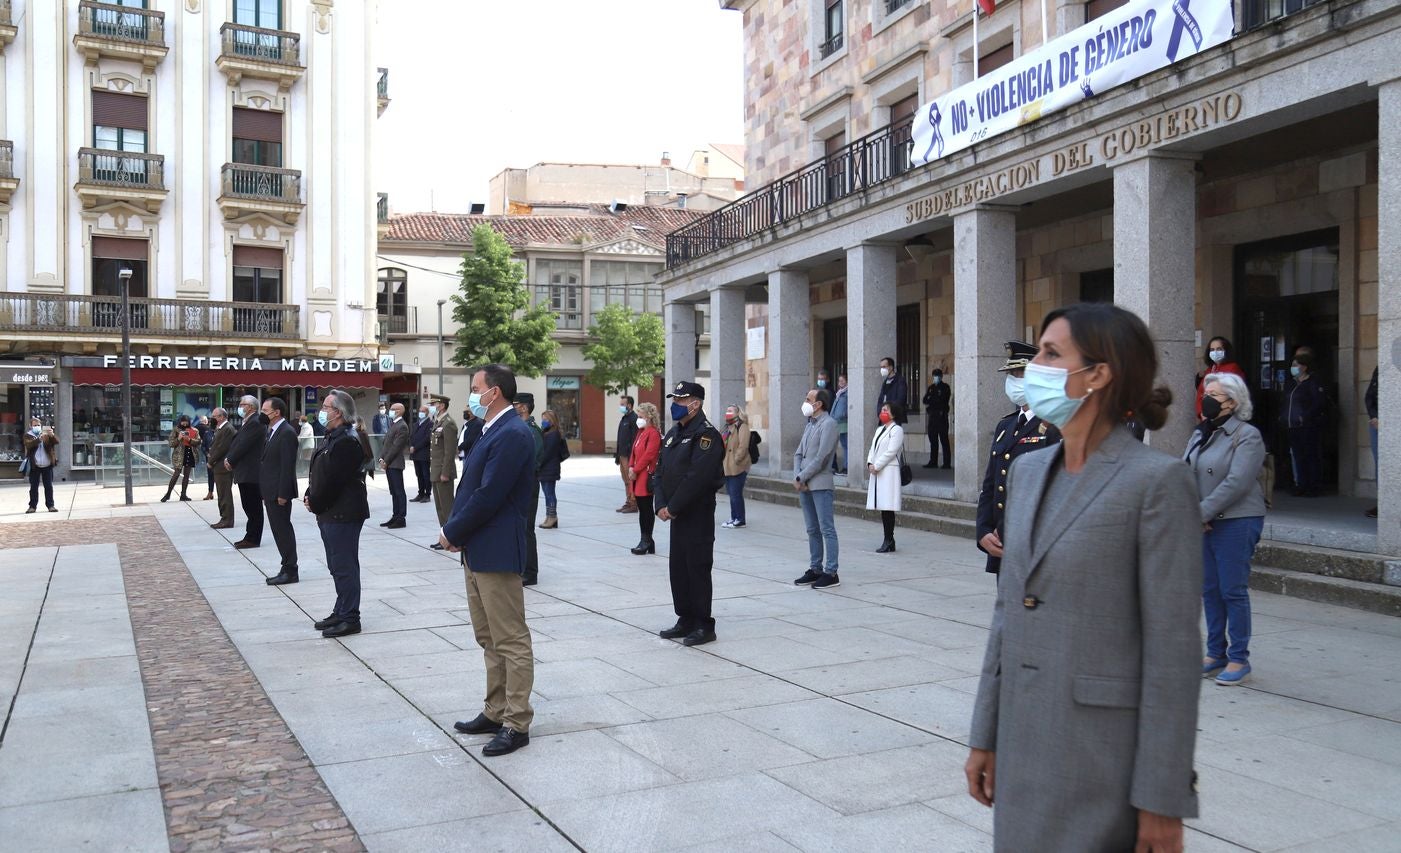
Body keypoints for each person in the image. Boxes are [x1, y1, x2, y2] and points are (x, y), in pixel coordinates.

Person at [965, 303, 1201, 852]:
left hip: (1102, 762)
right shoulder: (1027, 471)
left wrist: (1162, 798)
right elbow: (1008, 612)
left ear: (1098, 373)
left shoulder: (1157, 483)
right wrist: (985, 735)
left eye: (1051, 353)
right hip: (1022, 746)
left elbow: (1173, 652)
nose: (1035, 367)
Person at [443, 364, 538, 758]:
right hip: (478, 547)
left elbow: (489, 494)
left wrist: (453, 529)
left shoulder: (513, 432)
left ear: (494, 392)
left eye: (476, 387)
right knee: (488, 637)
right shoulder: (491, 429)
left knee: (510, 639)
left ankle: (517, 722)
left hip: (496, 548)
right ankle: (495, 709)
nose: (472, 393)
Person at [1187, 372, 1267, 687]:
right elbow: (1185, 471)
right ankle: (1215, 652)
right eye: (1206, 392)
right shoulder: (1200, 433)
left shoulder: (1247, 435)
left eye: (1215, 395)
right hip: (1204, 521)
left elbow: (1237, 482)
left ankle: (1238, 657)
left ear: (1233, 402)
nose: (1207, 399)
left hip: (1236, 520)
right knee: (1209, 589)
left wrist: (1203, 512)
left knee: (1232, 590)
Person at [975, 341, 1062, 576]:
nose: (1014, 380)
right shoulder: (1006, 425)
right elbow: (990, 485)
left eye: (1021, 373)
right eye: (1011, 374)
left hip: (1034, 544)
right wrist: (983, 531)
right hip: (1001, 543)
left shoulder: (1054, 426)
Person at [654, 381, 725, 646]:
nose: (676, 405)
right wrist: (659, 504)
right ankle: (685, 618)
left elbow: (698, 478)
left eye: (681, 400)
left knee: (697, 567)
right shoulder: (673, 434)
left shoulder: (707, 436)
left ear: (695, 404)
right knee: (679, 568)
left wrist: (673, 507)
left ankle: (704, 624)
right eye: (675, 399)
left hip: (696, 514)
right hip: (675, 514)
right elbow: (659, 471)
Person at [301, 390, 371, 638]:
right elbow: (320, 472)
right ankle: (341, 610)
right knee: (336, 565)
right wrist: (311, 493)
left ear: (338, 413)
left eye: (327, 407)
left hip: (343, 513)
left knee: (344, 566)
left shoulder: (347, 440)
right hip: (330, 512)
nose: (322, 410)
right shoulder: (333, 436)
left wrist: (316, 502)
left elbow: (335, 482)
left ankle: (350, 617)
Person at [792, 386, 841, 589]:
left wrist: (802, 476)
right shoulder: (810, 424)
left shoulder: (829, 424)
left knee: (826, 528)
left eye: (808, 398)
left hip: (820, 483)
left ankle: (831, 572)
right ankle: (815, 568)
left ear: (818, 403)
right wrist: (798, 476)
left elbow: (822, 458)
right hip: (804, 484)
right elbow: (798, 453)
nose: (805, 402)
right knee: (812, 528)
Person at [260, 397, 300, 586]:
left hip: (279, 493)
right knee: (278, 531)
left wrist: (283, 493)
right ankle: (285, 567)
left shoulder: (286, 433)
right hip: (270, 491)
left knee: (283, 530)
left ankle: (290, 569)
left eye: (265, 410)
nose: (262, 414)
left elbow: (287, 466)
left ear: (276, 412)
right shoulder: (273, 431)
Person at [224, 395, 266, 549]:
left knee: (253, 507)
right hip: (245, 471)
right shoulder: (248, 422)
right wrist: (229, 457)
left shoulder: (256, 422)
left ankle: (253, 538)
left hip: (251, 472)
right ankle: (249, 535)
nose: (240, 407)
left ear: (252, 407)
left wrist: (231, 460)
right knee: (248, 505)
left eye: (243, 404)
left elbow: (244, 444)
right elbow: (237, 442)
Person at [867, 401, 907, 553]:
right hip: (878, 471)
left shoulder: (896, 430)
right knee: (883, 507)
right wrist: (870, 463)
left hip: (888, 472)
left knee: (888, 507)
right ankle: (888, 539)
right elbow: (873, 448)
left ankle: (889, 539)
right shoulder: (880, 430)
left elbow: (891, 451)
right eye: (882, 409)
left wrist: (876, 466)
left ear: (893, 414)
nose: (882, 412)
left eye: (886, 410)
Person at [514, 392, 545, 585]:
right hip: (520, 484)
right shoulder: (521, 428)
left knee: (527, 529)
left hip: (528, 484)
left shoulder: (532, 430)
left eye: (516, 404)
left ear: (524, 407)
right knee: (520, 527)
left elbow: (533, 461)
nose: (513, 407)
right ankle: (522, 567)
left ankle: (530, 572)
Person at [1285, 352, 1326, 497]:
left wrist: (1305, 417)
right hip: (1293, 425)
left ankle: (1314, 485)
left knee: (1311, 455)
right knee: (1298, 456)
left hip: (1308, 426)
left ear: (1305, 367)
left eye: (1296, 365)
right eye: (1292, 365)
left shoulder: (1312, 383)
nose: (1293, 368)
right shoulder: (1293, 384)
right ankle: (1301, 484)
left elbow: (1318, 403)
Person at [628, 403, 662, 555]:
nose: (638, 418)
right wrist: (630, 467)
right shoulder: (641, 432)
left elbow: (649, 455)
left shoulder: (653, 433)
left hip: (644, 475)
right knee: (642, 508)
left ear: (649, 416)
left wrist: (635, 469)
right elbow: (634, 451)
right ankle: (648, 540)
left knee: (646, 509)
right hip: (636, 474)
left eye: (640, 415)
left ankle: (646, 540)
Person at [428, 394, 459, 549]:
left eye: (434, 404)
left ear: (441, 405)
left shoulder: (448, 424)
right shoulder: (438, 422)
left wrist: (445, 472)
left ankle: (452, 538)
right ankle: (443, 538)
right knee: (440, 507)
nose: (431, 406)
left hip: (443, 472)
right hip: (436, 470)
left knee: (447, 507)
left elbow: (449, 451)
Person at [1194, 336, 1247, 418]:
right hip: (1208, 418)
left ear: (1226, 351)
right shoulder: (1210, 370)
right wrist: (1201, 413)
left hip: (1225, 417)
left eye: (1219, 349)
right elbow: (1201, 393)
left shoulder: (1232, 368)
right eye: (1212, 350)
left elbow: (1234, 395)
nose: (1215, 352)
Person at [376, 402, 410, 529]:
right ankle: (395, 516)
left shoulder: (402, 426)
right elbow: (387, 444)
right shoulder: (394, 424)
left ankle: (401, 518)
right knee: (393, 491)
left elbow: (396, 447)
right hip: (389, 463)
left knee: (399, 491)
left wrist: (386, 461)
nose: (389, 411)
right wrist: (381, 458)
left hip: (395, 463)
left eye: (392, 409)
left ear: (399, 411)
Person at [536, 409, 570, 529]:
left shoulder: (553, 435)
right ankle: (549, 516)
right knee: (547, 493)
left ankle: (552, 517)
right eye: (543, 419)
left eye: (546, 419)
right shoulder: (547, 433)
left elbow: (547, 453)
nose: (543, 421)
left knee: (549, 493)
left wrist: (538, 464)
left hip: (549, 469)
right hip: (547, 469)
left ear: (552, 421)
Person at [721, 404, 752, 529]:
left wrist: (736, 460)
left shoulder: (742, 426)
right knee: (732, 494)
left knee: (735, 494)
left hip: (738, 466)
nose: (727, 412)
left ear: (737, 413)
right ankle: (734, 517)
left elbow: (743, 446)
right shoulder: (727, 427)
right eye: (727, 410)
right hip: (727, 466)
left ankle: (740, 519)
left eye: (730, 410)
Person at [207, 407, 236, 530]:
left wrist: (211, 460)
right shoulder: (220, 429)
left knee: (225, 494)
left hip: (222, 466)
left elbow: (222, 448)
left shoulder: (227, 429)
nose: (212, 419)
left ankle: (227, 519)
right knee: (221, 493)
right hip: (218, 467)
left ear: (221, 417)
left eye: (214, 416)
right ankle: (224, 517)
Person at [22, 418, 58, 514]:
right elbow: (28, 445)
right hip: (35, 465)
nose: (37, 427)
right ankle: (32, 506)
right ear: (31, 426)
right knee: (34, 487)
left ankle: (50, 505)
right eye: (35, 425)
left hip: (47, 464)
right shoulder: (28, 435)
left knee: (48, 486)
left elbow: (56, 442)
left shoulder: (46, 434)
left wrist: (52, 435)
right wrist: (38, 439)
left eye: (38, 425)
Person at [162, 415, 198, 503]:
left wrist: (189, 440)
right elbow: (171, 443)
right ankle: (168, 494)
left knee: (187, 475)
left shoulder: (195, 430)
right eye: (183, 421)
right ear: (180, 422)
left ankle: (183, 494)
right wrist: (178, 439)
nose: (185, 423)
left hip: (190, 452)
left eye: (186, 421)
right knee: (176, 474)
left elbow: (198, 441)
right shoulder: (176, 430)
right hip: (179, 455)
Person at [922, 368, 952, 469]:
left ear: (941, 376)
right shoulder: (931, 388)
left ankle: (947, 463)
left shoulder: (945, 387)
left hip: (941, 416)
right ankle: (933, 461)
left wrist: (932, 399)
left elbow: (942, 400)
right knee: (933, 439)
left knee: (944, 440)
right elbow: (925, 400)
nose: (936, 377)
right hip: (932, 417)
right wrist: (933, 400)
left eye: (937, 376)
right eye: (934, 375)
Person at [614, 395, 639, 513]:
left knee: (631, 480)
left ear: (629, 405)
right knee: (625, 480)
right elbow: (620, 438)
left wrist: (632, 457)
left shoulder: (634, 419)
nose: (621, 407)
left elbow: (635, 439)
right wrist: (617, 455)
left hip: (629, 456)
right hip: (622, 455)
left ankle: (634, 503)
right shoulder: (624, 419)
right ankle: (628, 501)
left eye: (623, 404)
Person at [409, 404, 433, 502]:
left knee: (425, 474)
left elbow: (427, 439)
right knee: (418, 474)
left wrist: (415, 447)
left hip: (424, 453)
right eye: (420, 411)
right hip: (415, 454)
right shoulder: (416, 424)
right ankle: (420, 493)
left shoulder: (430, 424)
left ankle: (427, 494)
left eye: (423, 411)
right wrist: (411, 446)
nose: (420, 413)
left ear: (427, 413)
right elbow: (412, 436)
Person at [875, 356, 907, 425]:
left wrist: (890, 411)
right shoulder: (885, 382)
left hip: (894, 418)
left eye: (884, 367)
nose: (882, 369)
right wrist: (879, 411)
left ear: (891, 367)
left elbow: (901, 399)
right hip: (883, 417)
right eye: (881, 367)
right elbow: (881, 399)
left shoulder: (900, 381)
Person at [1366, 366, 1378, 518]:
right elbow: (1369, 395)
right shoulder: (1380, 368)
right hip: (1377, 423)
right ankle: (1383, 502)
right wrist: (1374, 416)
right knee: (1380, 464)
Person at [831, 374, 849, 474]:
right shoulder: (839, 393)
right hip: (837, 422)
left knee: (846, 445)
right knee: (843, 445)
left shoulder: (847, 393)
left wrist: (844, 414)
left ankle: (846, 466)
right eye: (839, 381)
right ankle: (844, 466)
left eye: (842, 381)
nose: (840, 383)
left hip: (844, 422)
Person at [199, 415, 215, 500]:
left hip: (219, 458)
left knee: (219, 477)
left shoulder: (221, 432)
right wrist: (206, 453)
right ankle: (210, 492)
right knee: (210, 475)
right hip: (209, 458)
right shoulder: (207, 433)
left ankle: (221, 493)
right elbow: (203, 446)